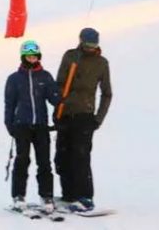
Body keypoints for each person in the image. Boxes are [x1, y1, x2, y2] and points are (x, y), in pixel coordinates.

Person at [54, 27, 113, 215]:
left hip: (85, 117)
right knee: (62, 156)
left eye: (94, 45)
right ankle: (68, 194)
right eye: (87, 45)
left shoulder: (102, 63)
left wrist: (98, 119)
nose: (90, 48)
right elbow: (59, 84)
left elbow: (107, 94)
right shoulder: (70, 57)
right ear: (81, 42)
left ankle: (85, 197)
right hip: (65, 114)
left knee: (81, 157)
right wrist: (57, 110)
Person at [5, 39, 60, 214]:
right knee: (22, 161)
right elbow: (9, 104)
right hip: (22, 125)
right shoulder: (14, 79)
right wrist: (10, 124)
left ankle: (47, 196)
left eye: (34, 56)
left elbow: (53, 98)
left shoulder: (45, 77)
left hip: (41, 126)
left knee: (44, 162)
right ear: (23, 57)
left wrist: (59, 96)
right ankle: (18, 196)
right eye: (28, 56)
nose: (32, 59)